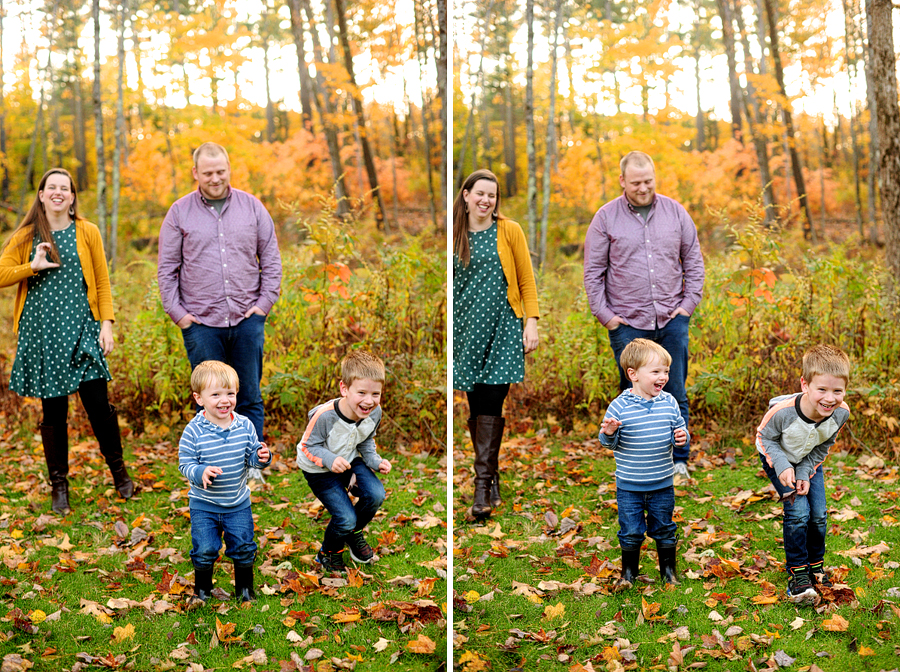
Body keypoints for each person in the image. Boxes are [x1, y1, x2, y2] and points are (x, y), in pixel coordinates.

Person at [0, 168, 134, 514]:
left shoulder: (87, 231)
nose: (58, 193)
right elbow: (2, 273)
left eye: (65, 188)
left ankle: (119, 474)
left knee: (99, 406)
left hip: (83, 330)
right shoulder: (27, 236)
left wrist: (106, 324)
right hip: (44, 334)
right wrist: (33, 265)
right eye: (52, 188)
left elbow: (102, 282)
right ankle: (59, 485)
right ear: (42, 195)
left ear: (72, 197)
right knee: (53, 412)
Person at [158, 142, 282, 479]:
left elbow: (271, 260)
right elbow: (167, 270)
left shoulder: (253, 208)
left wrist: (262, 307)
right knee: (208, 399)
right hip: (201, 323)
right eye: (208, 172)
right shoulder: (179, 212)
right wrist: (179, 315)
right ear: (196, 173)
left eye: (220, 171)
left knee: (249, 395)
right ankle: (209, 465)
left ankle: (251, 464)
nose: (215, 178)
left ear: (229, 169)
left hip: (247, 319)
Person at [583, 151, 704, 477]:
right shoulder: (606, 218)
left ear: (654, 176)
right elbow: (593, 272)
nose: (642, 188)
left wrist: (687, 307)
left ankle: (678, 461)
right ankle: (636, 463)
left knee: (675, 390)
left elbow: (693, 262)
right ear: (623, 181)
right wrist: (606, 316)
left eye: (648, 181)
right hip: (626, 324)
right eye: (636, 182)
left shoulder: (676, 213)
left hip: (671, 319)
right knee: (631, 398)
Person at [452, 169, 539, 520]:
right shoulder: (455, 234)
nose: (486, 200)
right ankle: (491, 474)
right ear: (467, 195)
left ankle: (481, 487)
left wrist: (530, 323)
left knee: (492, 401)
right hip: (466, 330)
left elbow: (526, 279)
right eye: (480, 194)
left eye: (493, 195)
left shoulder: (509, 230)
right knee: (476, 406)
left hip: (504, 325)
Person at [756, 344, 850, 606]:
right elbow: (764, 438)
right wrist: (784, 466)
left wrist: (805, 471)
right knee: (799, 513)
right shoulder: (783, 413)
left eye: (837, 391)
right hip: (777, 458)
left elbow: (822, 445)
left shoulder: (840, 414)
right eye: (822, 389)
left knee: (818, 514)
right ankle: (797, 574)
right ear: (805, 384)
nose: (829, 398)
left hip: (808, 463)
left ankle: (815, 566)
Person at [178, 360, 272, 604]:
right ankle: (202, 590)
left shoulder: (245, 425)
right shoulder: (193, 431)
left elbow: (252, 458)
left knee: (243, 545)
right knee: (205, 548)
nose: (224, 400)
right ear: (199, 399)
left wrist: (261, 458)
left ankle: (244, 589)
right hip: (204, 504)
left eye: (230, 393)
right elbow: (185, 463)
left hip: (237, 503)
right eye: (216, 394)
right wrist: (200, 472)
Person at [599, 339, 687, 589]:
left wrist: (681, 437)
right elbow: (608, 443)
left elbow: (678, 429)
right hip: (629, 486)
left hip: (661, 483)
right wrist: (609, 433)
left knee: (665, 527)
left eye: (666, 372)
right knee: (631, 530)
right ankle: (629, 573)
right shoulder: (619, 406)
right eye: (656, 371)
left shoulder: (669, 402)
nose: (663, 377)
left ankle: (668, 572)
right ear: (633, 374)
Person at [296, 350, 391, 574]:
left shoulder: (375, 412)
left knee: (376, 494)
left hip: (350, 460)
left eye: (375, 393)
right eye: (361, 392)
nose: (369, 401)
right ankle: (328, 553)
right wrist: (330, 459)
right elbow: (308, 446)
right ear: (344, 388)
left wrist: (375, 461)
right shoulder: (326, 416)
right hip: (318, 468)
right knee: (345, 517)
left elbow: (365, 441)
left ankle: (352, 533)